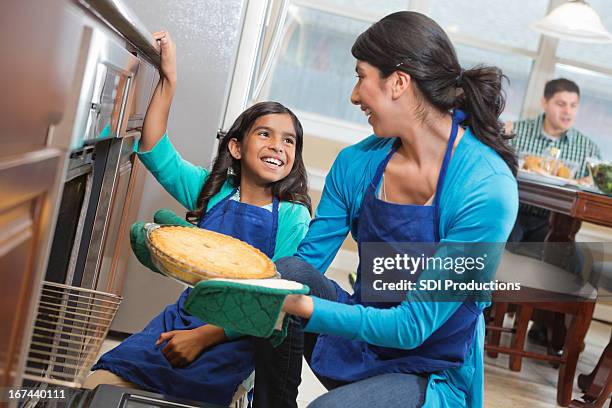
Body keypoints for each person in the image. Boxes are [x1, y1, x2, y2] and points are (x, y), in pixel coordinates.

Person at [249, 11, 518, 408]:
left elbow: (412, 328)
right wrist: (214, 329)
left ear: (398, 82)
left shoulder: (485, 186)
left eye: (361, 76)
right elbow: (300, 270)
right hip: (363, 343)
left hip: (429, 369)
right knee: (286, 273)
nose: (354, 96)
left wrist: (302, 307)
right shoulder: (356, 164)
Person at [83, 32, 312, 406]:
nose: (277, 146)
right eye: (265, 134)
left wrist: (205, 336)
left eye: (289, 141)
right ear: (236, 147)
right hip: (184, 317)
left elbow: (272, 303)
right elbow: (155, 149)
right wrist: (168, 79)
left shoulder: (291, 216)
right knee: (101, 384)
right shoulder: (214, 191)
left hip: (238, 335)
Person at [507, 78, 602, 243]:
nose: (568, 111)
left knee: (573, 262)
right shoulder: (514, 132)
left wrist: (591, 183)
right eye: (561, 104)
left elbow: (599, 188)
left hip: (554, 223)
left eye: (573, 105)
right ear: (544, 103)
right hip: (511, 212)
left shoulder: (589, 149)